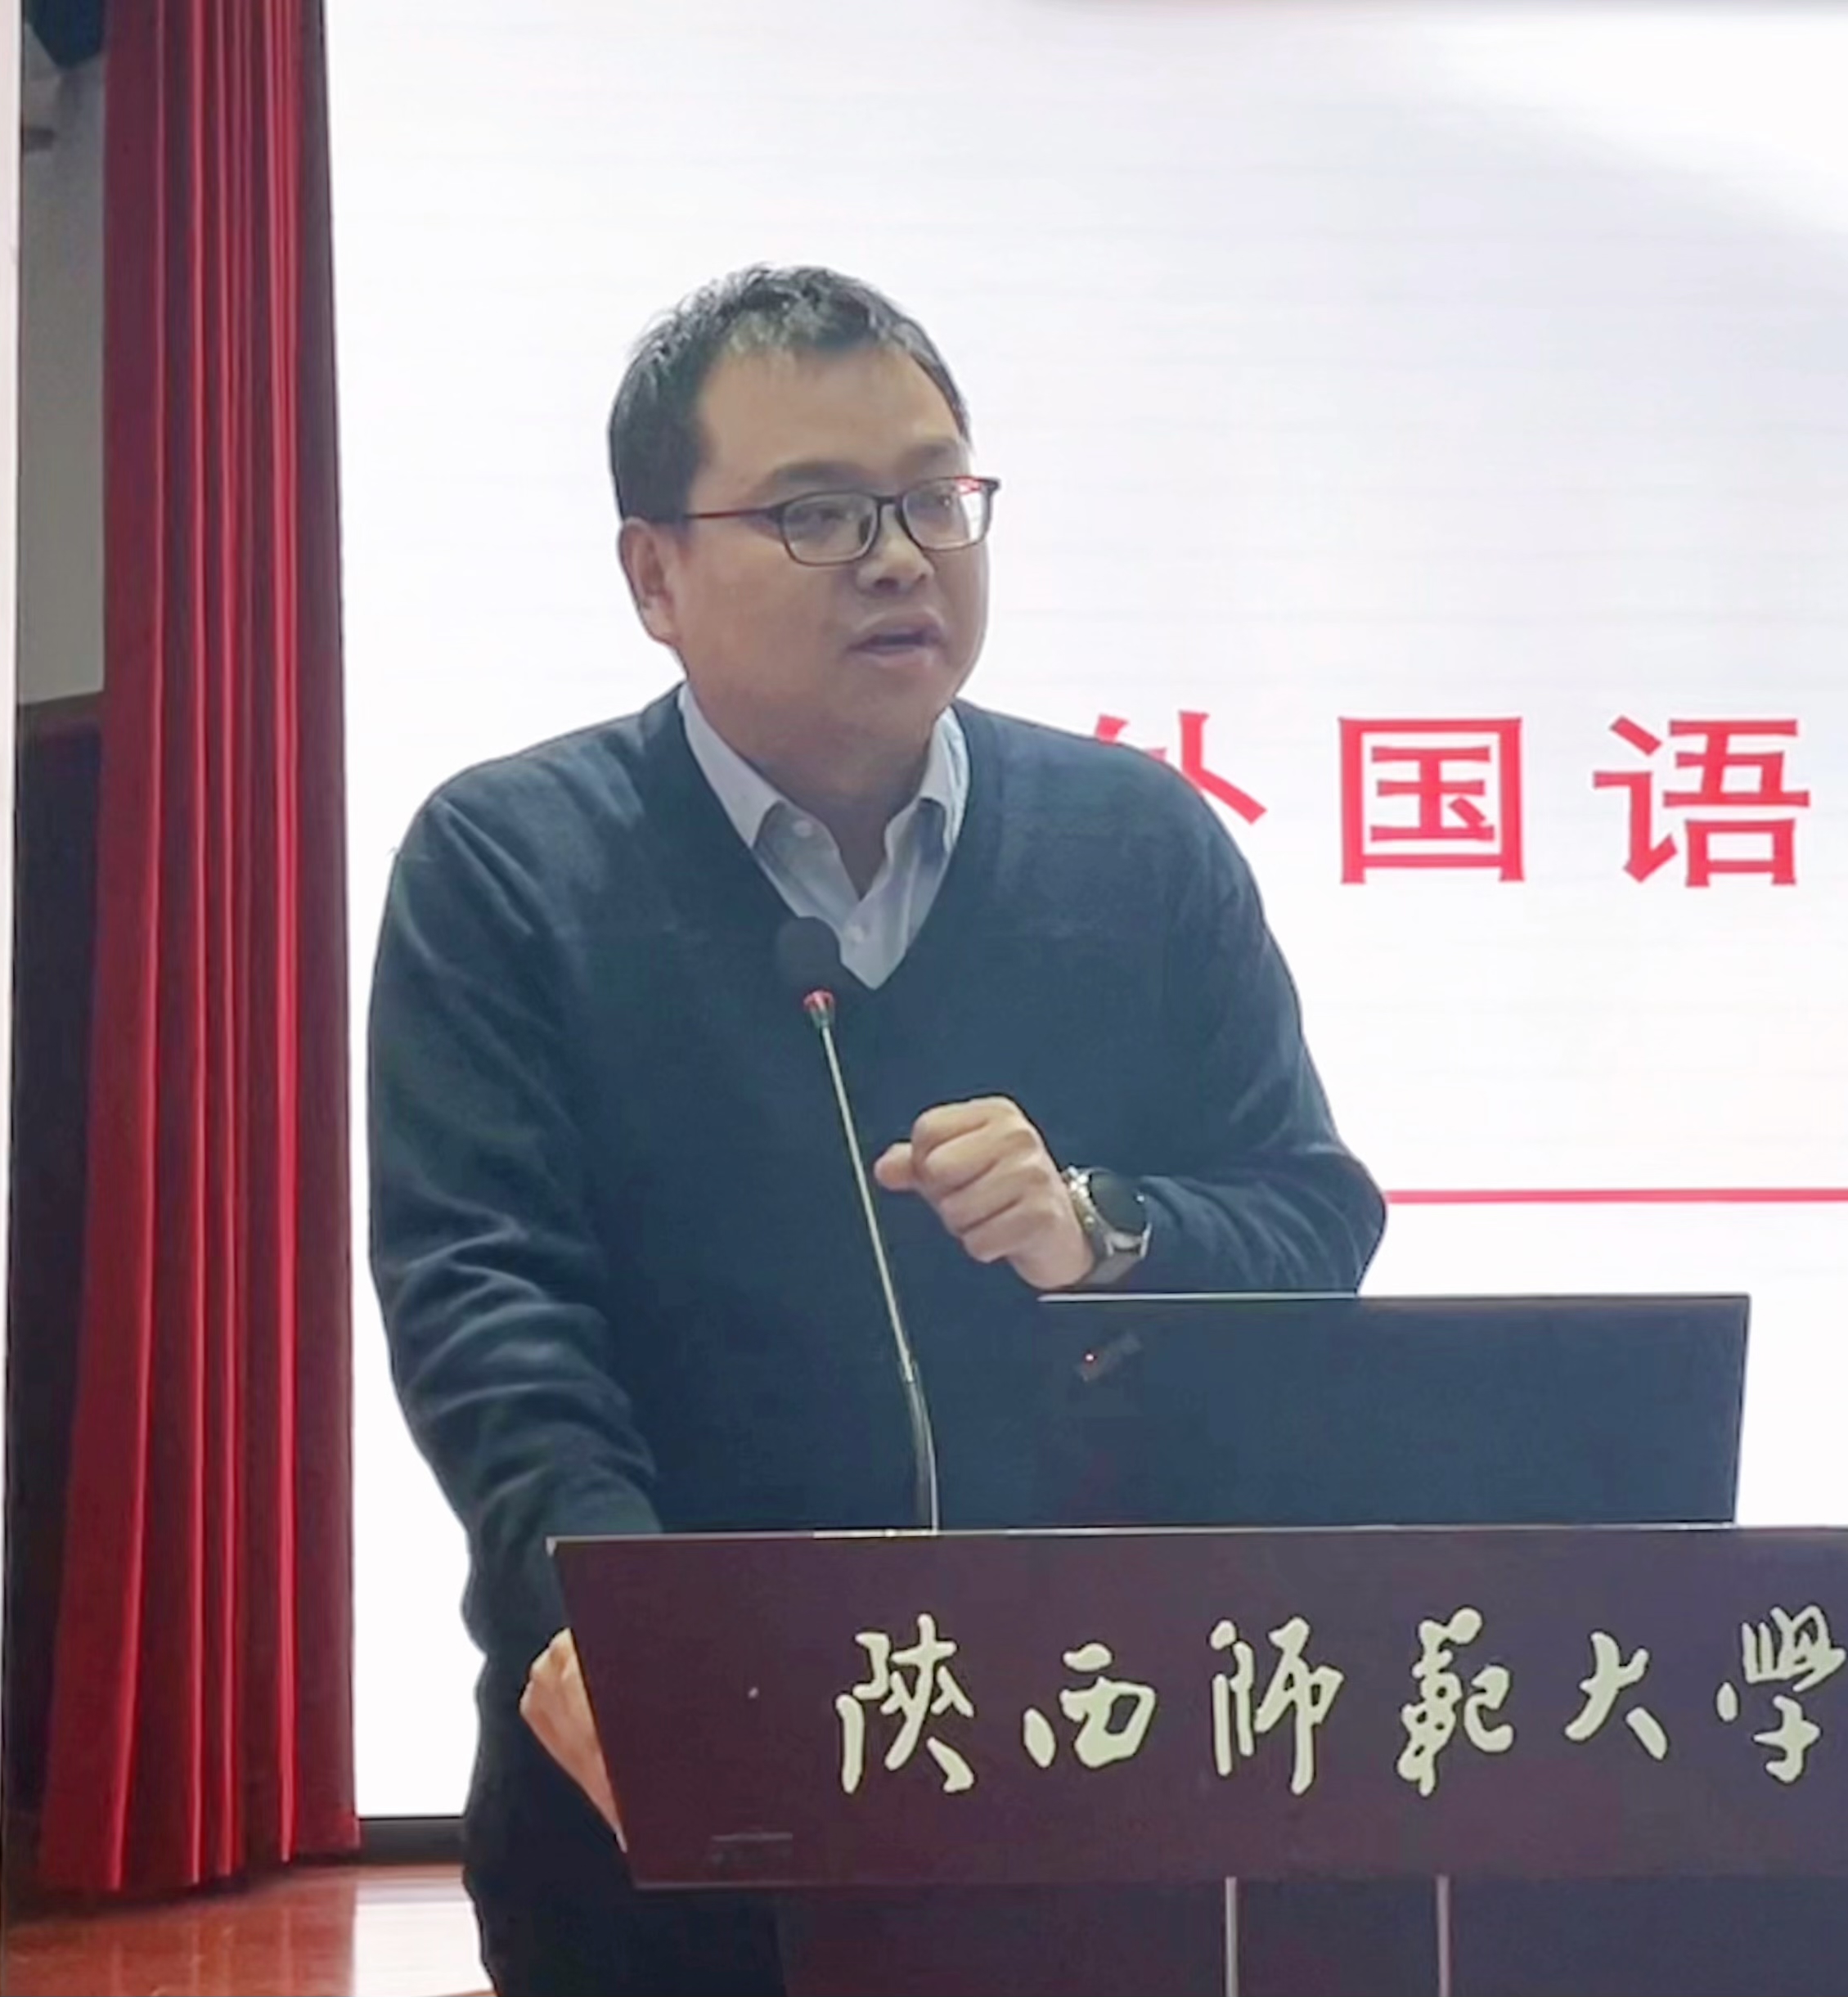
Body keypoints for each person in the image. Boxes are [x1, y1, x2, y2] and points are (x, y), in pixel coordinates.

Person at [367, 265, 1385, 1997]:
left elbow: (1310, 1221)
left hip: (1102, 1777)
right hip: (680, 1792)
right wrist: (620, 1627)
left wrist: (1098, 1228)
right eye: (818, 514)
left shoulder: (1137, 845)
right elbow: (492, 1311)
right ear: (653, 575)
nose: (901, 557)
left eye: (932, 499)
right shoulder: (511, 867)